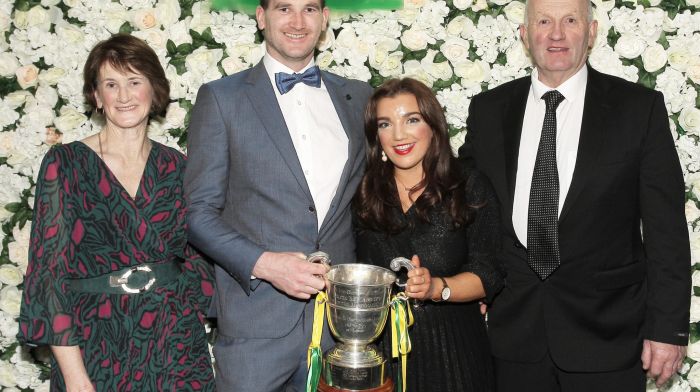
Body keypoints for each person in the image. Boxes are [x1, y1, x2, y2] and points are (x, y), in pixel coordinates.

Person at [458, 0, 691, 390]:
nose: (556, 34)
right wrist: (466, 280)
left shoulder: (638, 109)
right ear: (524, 35)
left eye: (570, 21)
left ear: (592, 32)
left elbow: (665, 229)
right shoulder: (489, 109)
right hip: (513, 336)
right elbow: (467, 208)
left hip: (608, 336)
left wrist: (667, 330)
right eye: (544, 21)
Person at [183, 0, 373, 390]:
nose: (297, 21)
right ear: (260, 17)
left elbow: (374, 202)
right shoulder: (222, 98)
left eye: (309, 8)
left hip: (340, 327)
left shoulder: (360, 98)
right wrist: (267, 265)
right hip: (256, 324)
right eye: (284, 8)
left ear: (324, 18)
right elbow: (198, 214)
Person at [17, 34, 215, 391]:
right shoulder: (67, 164)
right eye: (111, 84)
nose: (124, 96)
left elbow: (198, 254)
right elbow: (49, 274)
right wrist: (76, 377)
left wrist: (192, 313)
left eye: (134, 82)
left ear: (154, 91)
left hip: (175, 346)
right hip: (96, 345)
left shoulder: (177, 166)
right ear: (96, 96)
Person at [353, 78, 504, 392]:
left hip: (453, 353)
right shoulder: (364, 193)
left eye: (412, 119)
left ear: (433, 125)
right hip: (382, 357)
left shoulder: (468, 185)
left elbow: (488, 273)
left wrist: (437, 287)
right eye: (385, 124)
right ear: (375, 136)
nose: (398, 134)